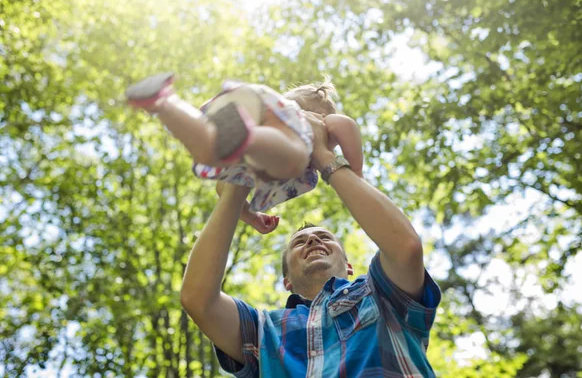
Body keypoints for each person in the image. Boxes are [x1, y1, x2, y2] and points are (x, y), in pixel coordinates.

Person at [179, 111, 442, 377]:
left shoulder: (382, 296)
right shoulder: (264, 329)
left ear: (349, 266)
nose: (313, 240)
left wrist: (324, 155)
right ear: (287, 281)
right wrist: (239, 182)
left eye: (324, 237)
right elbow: (198, 300)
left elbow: (406, 248)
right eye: (299, 243)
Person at [125, 73, 362, 233]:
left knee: (209, 152)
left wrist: (253, 218)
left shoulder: (249, 164)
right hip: (270, 129)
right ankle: (249, 136)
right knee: (295, 160)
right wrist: (357, 174)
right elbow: (346, 125)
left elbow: (222, 188)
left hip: (249, 110)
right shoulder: (318, 122)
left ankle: (165, 103)